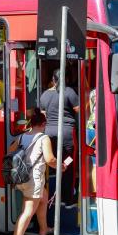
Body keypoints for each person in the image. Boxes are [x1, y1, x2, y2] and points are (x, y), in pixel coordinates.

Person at [12, 108, 65, 235]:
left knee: (44, 197)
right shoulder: (43, 138)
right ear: (42, 124)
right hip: (33, 180)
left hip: (22, 177)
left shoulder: (22, 136)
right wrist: (61, 166)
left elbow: (10, 150)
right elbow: (50, 159)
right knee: (27, 212)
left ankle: (44, 229)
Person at [40, 69, 79, 208]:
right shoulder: (69, 92)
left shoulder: (44, 95)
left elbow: (43, 115)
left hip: (49, 135)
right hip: (67, 135)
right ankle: (67, 199)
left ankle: (53, 197)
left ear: (53, 79)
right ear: (66, 79)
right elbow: (80, 110)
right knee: (68, 162)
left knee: (53, 165)